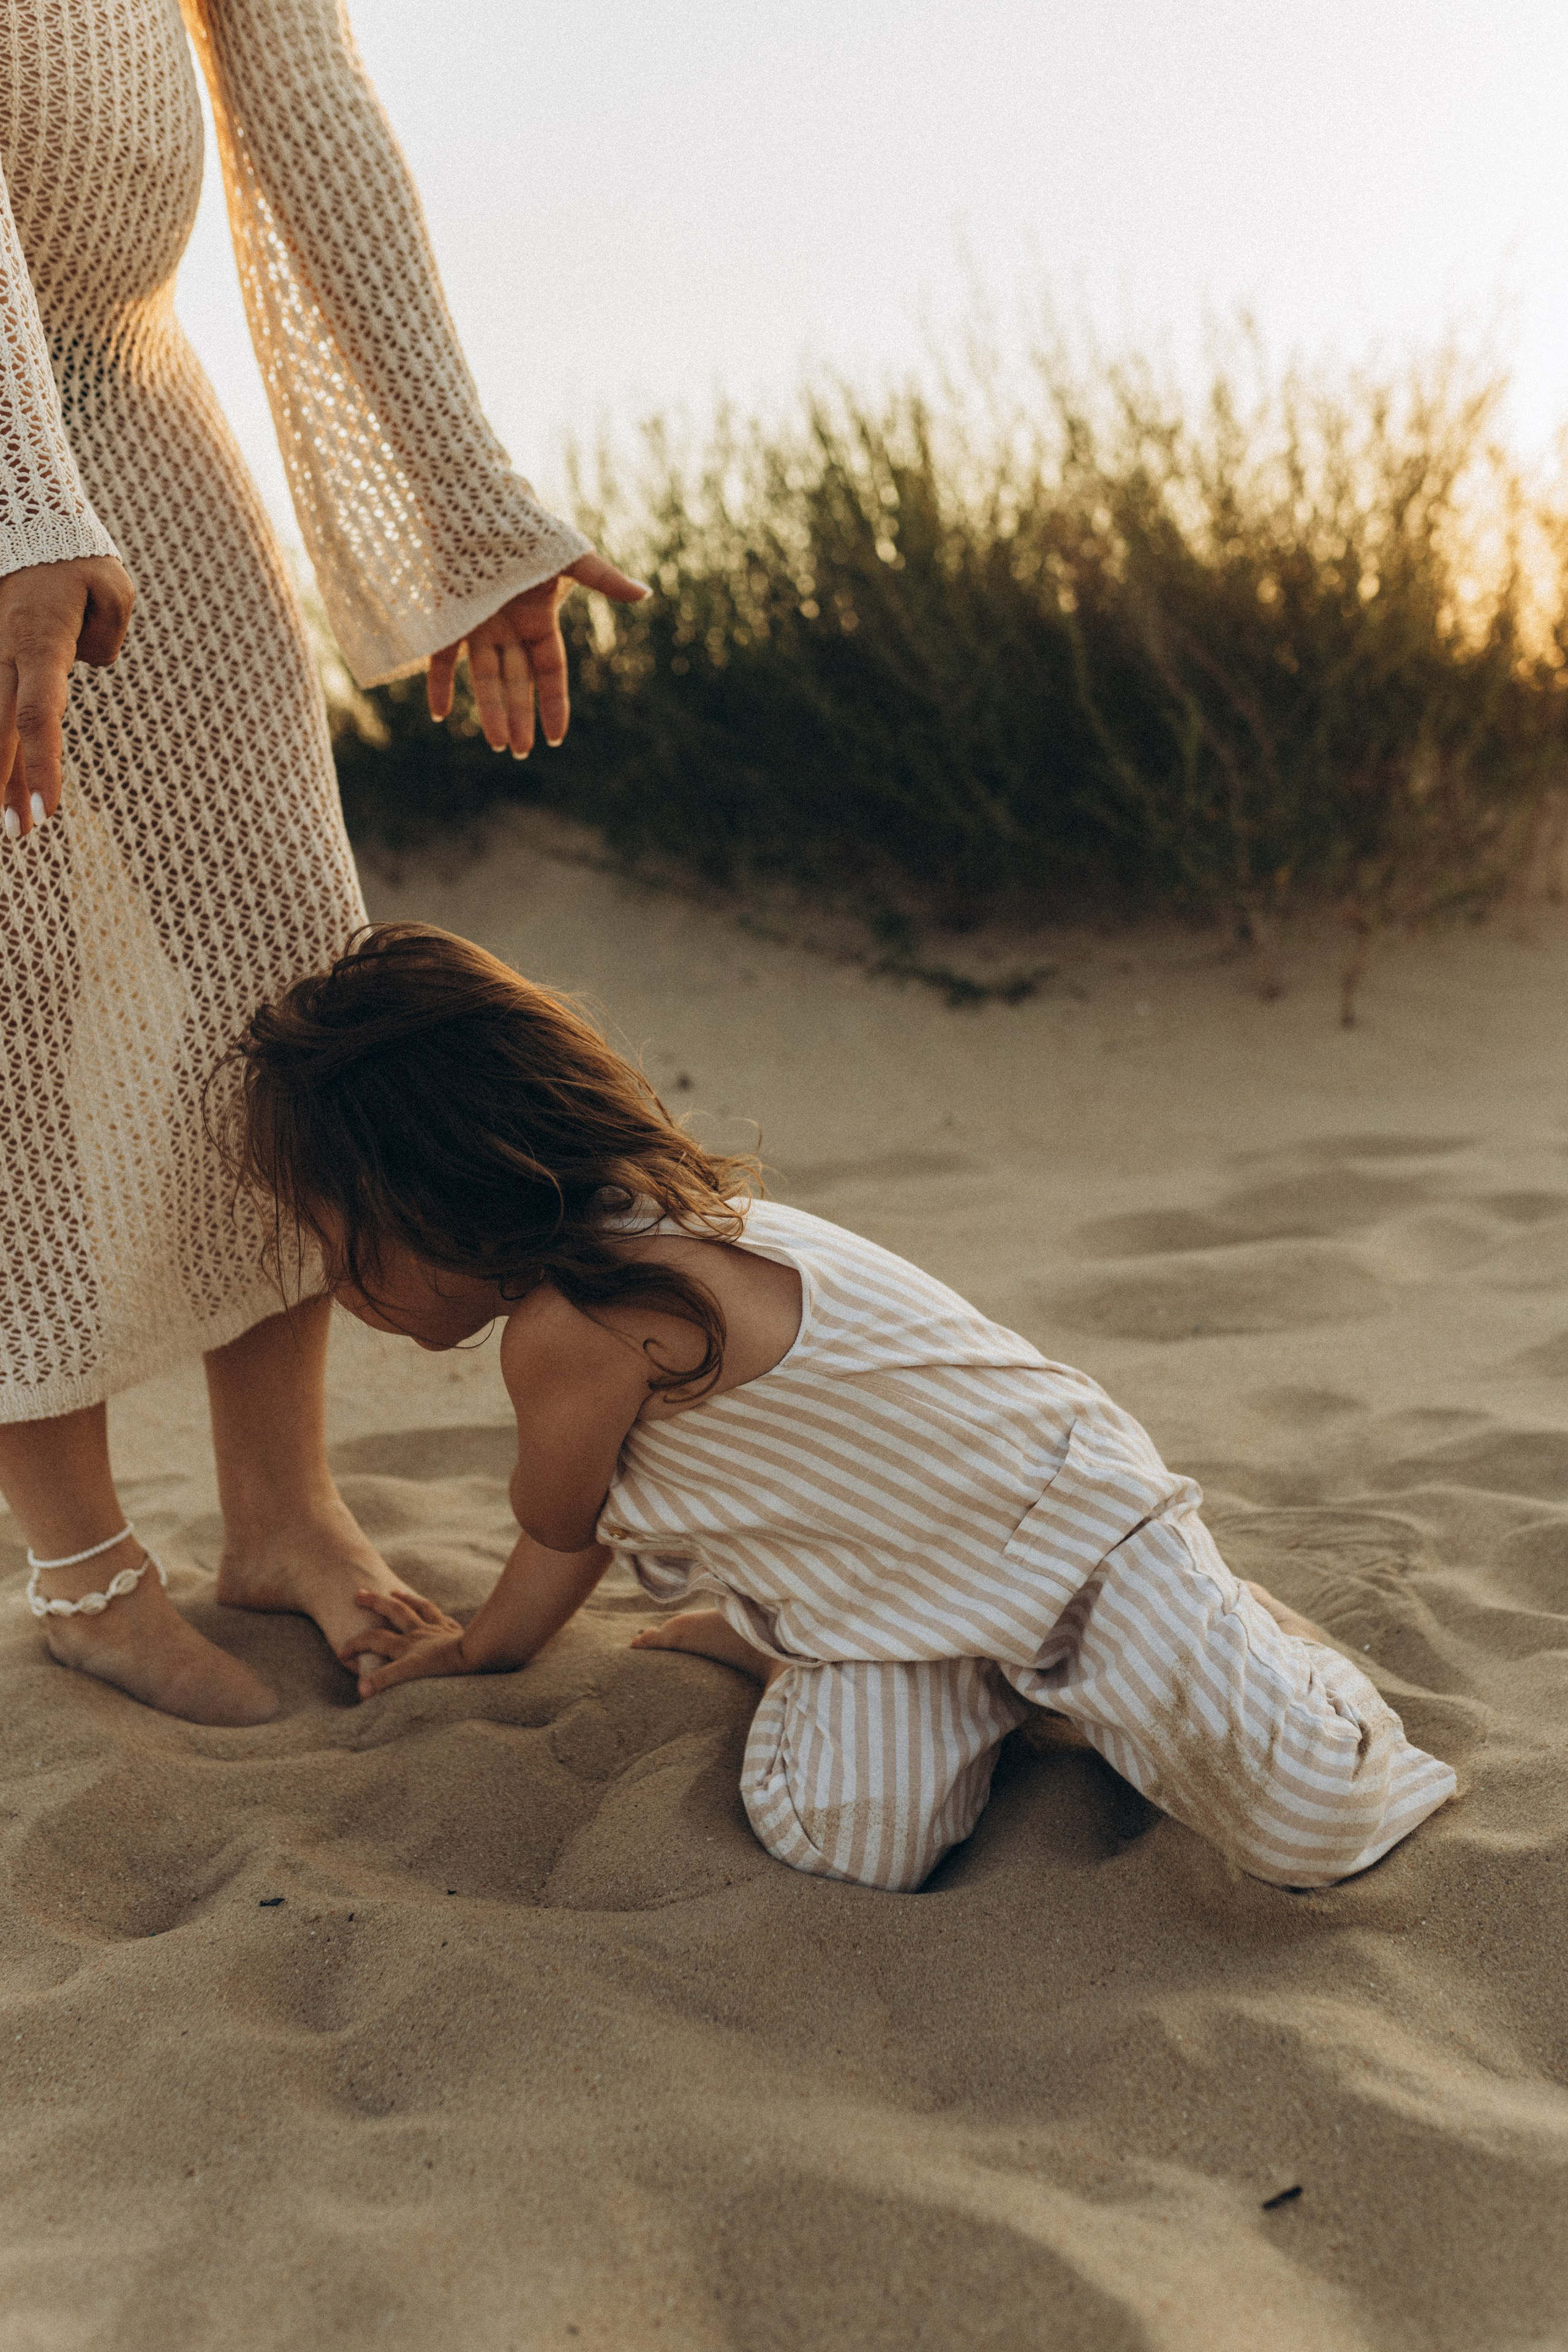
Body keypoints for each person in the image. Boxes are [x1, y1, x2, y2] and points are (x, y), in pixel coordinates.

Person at [227, 921, 1458, 1891]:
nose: (336, 1284)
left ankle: (1248, 1637)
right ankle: (818, 1642)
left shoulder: (582, 1320)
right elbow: (584, 1531)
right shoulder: (630, 1239)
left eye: (343, 1243)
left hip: (1076, 1545)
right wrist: (499, 1645)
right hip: (885, 1602)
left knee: (1311, 1825)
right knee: (844, 1837)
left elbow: (559, 1525)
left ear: (443, 1193)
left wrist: (478, 1647)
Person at [0, 0, 644, 1724]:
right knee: (15, 984)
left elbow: (307, 96)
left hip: (135, 382)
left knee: (283, 965)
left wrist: (464, 503)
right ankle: (83, 1572)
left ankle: (280, 1512)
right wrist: (14, 501)